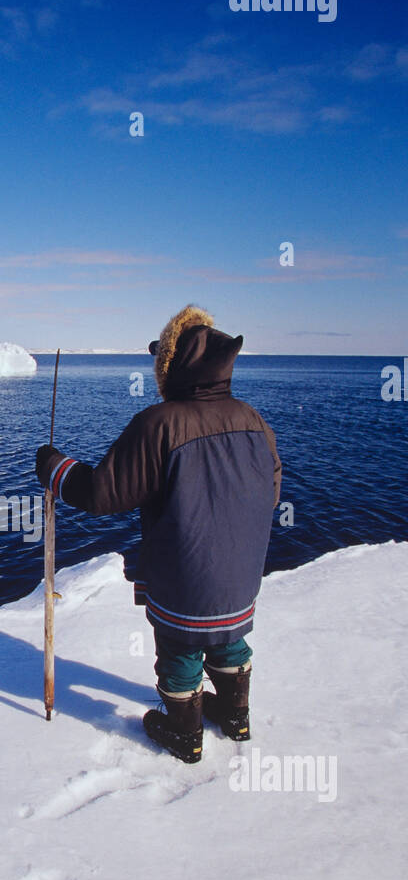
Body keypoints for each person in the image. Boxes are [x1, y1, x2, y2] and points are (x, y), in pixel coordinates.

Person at [35, 306, 281, 763]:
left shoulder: (159, 425)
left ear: (171, 366)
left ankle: (183, 733)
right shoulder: (254, 420)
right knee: (229, 639)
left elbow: (102, 492)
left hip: (184, 579)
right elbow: (269, 492)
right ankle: (235, 714)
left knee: (181, 648)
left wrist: (54, 468)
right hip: (242, 576)